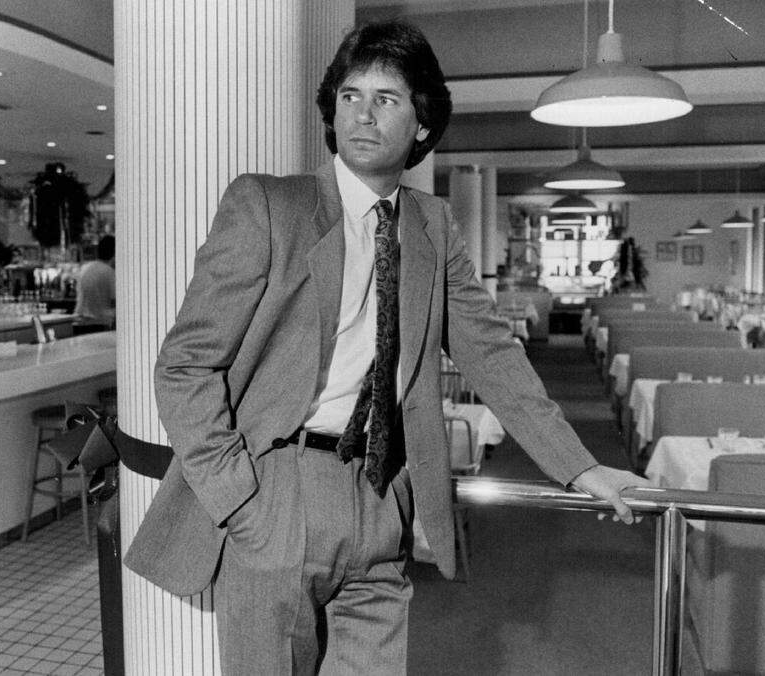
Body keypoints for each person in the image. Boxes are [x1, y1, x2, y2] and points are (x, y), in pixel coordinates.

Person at [124, 20, 650, 674]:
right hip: (277, 491)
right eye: (350, 96)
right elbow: (184, 365)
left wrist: (580, 466)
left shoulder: (432, 226)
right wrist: (239, 498)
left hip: (383, 495)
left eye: (386, 99)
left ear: (423, 125)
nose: (362, 115)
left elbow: (491, 355)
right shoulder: (269, 206)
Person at [73, 234, 115, 329]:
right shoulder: (109, 272)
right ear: (114, 254)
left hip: (78, 321)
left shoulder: (84, 268)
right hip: (98, 323)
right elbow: (116, 300)